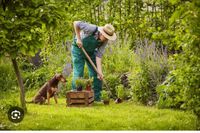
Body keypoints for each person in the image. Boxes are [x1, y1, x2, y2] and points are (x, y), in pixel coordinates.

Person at [71, 21, 116, 101]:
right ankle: (76, 96)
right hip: (78, 49)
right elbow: (76, 23)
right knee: (79, 72)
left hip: (91, 52)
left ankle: (96, 97)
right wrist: (78, 39)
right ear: (101, 33)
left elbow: (99, 56)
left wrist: (100, 72)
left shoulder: (105, 41)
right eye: (105, 37)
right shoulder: (91, 28)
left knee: (96, 74)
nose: (105, 40)